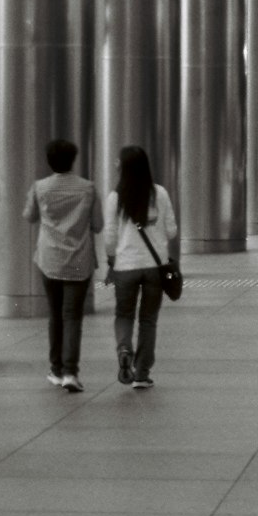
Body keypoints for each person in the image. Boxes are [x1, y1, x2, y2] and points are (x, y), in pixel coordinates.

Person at [23, 139, 103, 393]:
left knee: (55, 314)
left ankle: (56, 369)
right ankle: (70, 371)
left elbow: (29, 216)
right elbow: (98, 224)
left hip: (49, 259)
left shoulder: (41, 187)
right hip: (79, 260)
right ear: (73, 160)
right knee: (72, 316)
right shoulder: (87, 188)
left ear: (49, 161)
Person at [104, 145, 178, 390]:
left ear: (124, 167)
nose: (115, 164)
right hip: (154, 267)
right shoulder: (160, 194)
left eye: (118, 161)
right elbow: (171, 231)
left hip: (125, 266)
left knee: (124, 314)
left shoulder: (115, 198)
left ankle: (124, 348)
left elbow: (110, 237)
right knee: (148, 320)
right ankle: (142, 373)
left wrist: (110, 262)